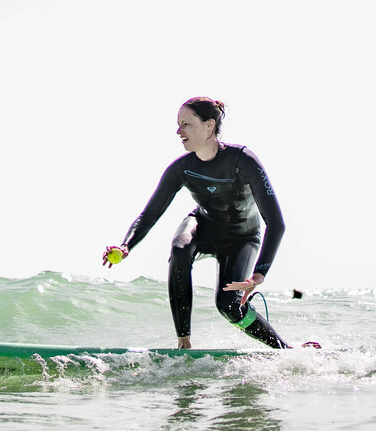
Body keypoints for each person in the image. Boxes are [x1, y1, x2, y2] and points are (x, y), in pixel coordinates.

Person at [102, 97, 294, 349]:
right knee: (180, 249)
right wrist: (126, 246)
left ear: (209, 126)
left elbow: (276, 222)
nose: (178, 131)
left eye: (186, 124)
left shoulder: (242, 161)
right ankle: (184, 342)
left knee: (228, 307)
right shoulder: (182, 169)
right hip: (204, 227)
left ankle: (283, 349)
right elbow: (149, 215)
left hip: (241, 238)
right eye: (178, 125)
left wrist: (260, 273)